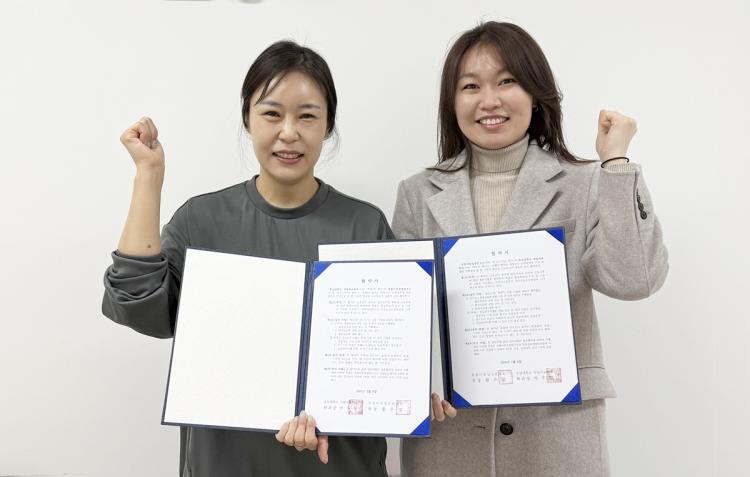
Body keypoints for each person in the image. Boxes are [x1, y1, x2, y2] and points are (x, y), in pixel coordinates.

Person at [101, 40, 391, 477]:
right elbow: (138, 305)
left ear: (328, 125)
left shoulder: (364, 226)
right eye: (272, 114)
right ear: (247, 119)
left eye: (307, 116)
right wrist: (149, 175)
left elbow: (385, 364)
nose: (289, 132)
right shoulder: (201, 221)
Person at [392, 22, 668, 477]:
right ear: (452, 103)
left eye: (507, 81)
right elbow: (406, 321)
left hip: (555, 438)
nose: (489, 100)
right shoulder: (417, 193)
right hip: (450, 442)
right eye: (470, 86)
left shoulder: (585, 182)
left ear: (535, 94)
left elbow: (634, 279)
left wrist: (616, 163)